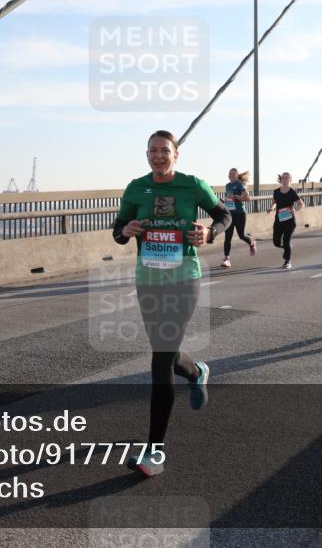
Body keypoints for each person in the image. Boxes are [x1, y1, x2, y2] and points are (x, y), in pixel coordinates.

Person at [113, 130, 231, 477]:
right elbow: (118, 230)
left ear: (176, 155)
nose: (158, 156)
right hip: (149, 280)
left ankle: (155, 452)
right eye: (152, 150)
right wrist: (127, 230)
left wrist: (209, 233)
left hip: (184, 278)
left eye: (164, 150)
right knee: (166, 352)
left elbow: (224, 216)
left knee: (160, 358)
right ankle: (197, 371)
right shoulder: (136, 187)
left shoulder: (193, 184)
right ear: (146, 154)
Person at [265, 172, 304, 269]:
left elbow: (301, 204)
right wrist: (271, 208)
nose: (285, 179)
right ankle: (287, 248)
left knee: (286, 240)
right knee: (276, 242)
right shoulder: (276, 192)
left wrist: (295, 209)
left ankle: (287, 261)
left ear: (290, 180)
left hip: (290, 221)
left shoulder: (292, 192)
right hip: (279, 220)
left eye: (287, 178)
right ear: (281, 180)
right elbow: (274, 202)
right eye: (283, 178)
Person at [221, 168, 256, 268]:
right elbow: (229, 198)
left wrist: (236, 197)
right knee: (228, 237)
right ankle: (226, 258)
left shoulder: (240, 185)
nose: (231, 175)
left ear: (237, 175)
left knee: (241, 235)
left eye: (233, 174)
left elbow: (247, 198)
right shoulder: (227, 186)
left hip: (240, 213)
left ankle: (252, 243)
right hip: (230, 214)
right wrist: (224, 201)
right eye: (230, 173)